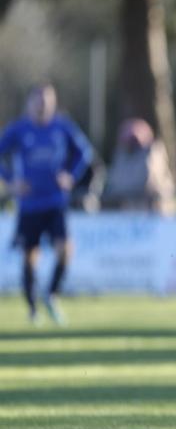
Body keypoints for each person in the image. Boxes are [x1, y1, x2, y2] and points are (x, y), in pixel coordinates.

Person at [0, 84, 93, 324]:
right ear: (29, 102)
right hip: (29, 204)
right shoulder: (19, 129)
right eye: (38, 100)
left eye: (47, 100)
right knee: (30, 256)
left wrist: (70, 175)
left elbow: (85, 153)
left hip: (55, 201)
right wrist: (11, 181)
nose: (43, 105)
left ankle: (51, 294)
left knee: (65, 249)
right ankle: (32, 309)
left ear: (53, 102)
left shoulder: (62, 126)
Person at [103, 118, 176, 215]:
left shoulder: (153, 154)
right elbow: (115, 184)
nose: (128, 140)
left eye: (133, 137)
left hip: (155, 213)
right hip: (130, 214)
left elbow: (147, 182)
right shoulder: (122, 155)